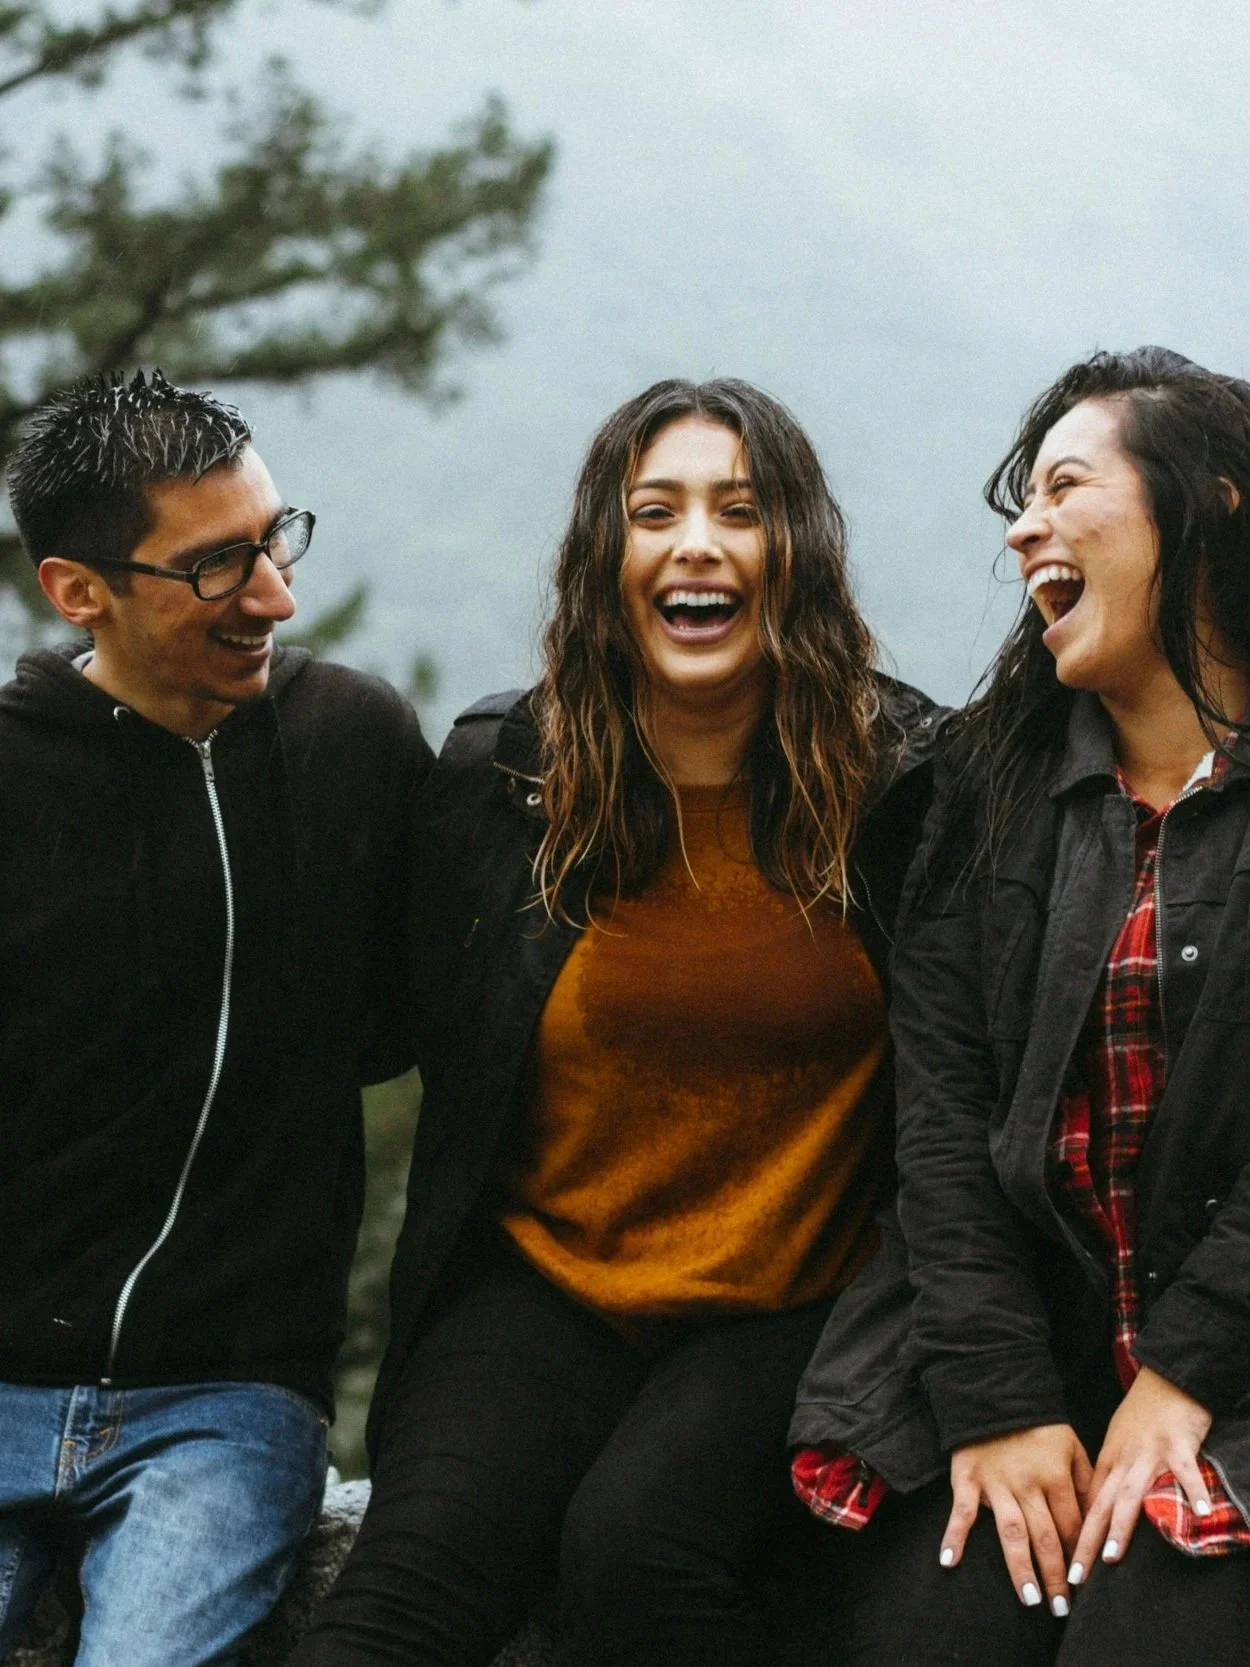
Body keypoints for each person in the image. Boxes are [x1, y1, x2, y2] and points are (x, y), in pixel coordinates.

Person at [288, 377, 943, 1667]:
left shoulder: (904, 793)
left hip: (798, 1299)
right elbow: (358, 1029)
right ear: (609, 556)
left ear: (794, 552)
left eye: (740, 512)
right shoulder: (506, 784)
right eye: (657, 513)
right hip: (551, 1283)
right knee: (397, 1599)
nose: (696, 542)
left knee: (638, 1554)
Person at [790, 347, 1250, 1667]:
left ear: (1210, 502)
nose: (1022, 526)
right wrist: (996, 1402)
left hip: (1223, 1370)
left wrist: (1182, 1376)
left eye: (1063, 484)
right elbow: (937, 1128)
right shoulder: (984, 795)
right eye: (1019, 498)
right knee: (935, 1627)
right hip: (1033, 1361)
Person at [0, 370, 431, 1666]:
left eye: (276, 539)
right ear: (81, 591)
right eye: (218, 566)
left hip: (229, 1394)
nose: (276, 597)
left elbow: (426, 1013)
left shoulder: (353, 743)